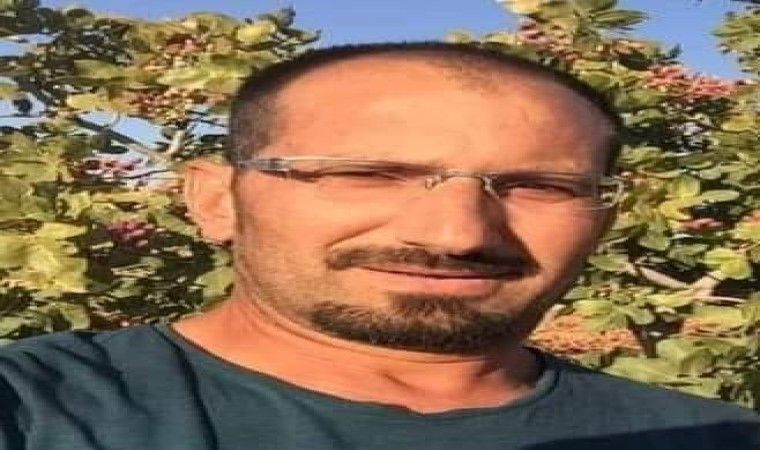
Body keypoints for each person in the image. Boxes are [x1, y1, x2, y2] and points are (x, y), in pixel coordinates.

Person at [0, 42, 757, 450]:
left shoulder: (710, 437)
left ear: (605, 216)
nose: (456, 234)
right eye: (366, 174)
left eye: (538, 186)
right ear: (216, 199)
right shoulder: (36, 411)